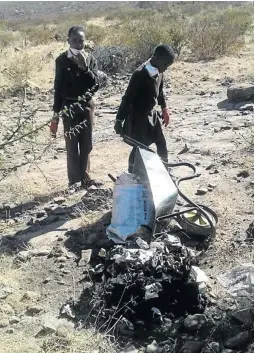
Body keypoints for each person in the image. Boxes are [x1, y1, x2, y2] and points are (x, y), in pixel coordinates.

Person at [50, 25, 101, 189]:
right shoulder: (62, 60)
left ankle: (85, 179)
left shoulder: (90, 59)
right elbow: (58, 88)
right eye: (75, 40)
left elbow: (96, 84)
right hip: (69, 108)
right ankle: (73, 182)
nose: (78, 44)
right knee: (72, 146)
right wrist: (55, 115)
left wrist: (85, 68)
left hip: (86, 106)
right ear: (68, 40)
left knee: (87, 144)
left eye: (81, 41)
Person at [114, 44, 177, 172]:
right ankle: (132, 174)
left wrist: (164, 109)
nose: (165, 69)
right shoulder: (140, 74)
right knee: (140, 148)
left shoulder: (159, 71)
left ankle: (166, 172)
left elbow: (160, 91)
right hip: (138, 117)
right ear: (156, 57)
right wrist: (119, 120)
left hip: (151, 115)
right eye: (165, 65)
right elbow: (127, 98)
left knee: (161, 143)